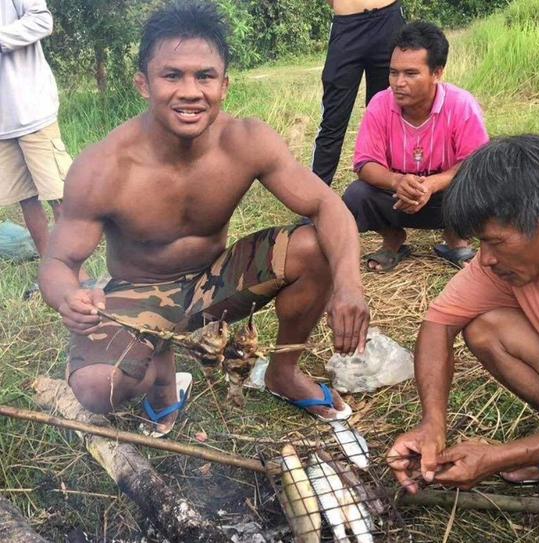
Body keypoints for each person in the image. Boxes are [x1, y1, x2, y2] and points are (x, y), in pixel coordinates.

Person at [38, 1, 369, 436]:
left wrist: (349, 285)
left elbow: (328, 206)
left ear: (225, 84)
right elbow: (57, 264)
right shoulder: (103, 167)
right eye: (172, 75)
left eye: (205, 76)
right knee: (98, 388)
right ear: (143, 83)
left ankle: (283, 372)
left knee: (316, 247)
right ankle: (163, 384)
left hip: (216, 282)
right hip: (138, 295)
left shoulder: (246, 141)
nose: (190, 91)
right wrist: (68, 297)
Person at [387, 135, 539, 491]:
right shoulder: (513, 261)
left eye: (495, 241)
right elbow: (438, 324)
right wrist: (432, 425)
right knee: (487, 329)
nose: (484, 258)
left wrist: (501, 456)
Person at [343, 21, 490, 271]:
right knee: (356, 196)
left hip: (446, 200)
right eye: (393, 72)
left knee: (487, 187)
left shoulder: (461, 105)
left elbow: (477, 161)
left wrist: (431, 185)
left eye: (411, 73)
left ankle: (455, 238)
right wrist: (397, 182)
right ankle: (393, 239)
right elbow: (365, 164)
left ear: (437, 73)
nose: (398, 82)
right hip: (397, 199)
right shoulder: (380, 104)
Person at [0, 0, 72, 258]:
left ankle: (72, 267)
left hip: (33, 112)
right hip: (3, 124)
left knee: (59, 196)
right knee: (26, 197)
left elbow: (43, 21)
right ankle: (48, 265)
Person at [312, 0, 405, 186]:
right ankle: (315, 200)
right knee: (333, 118)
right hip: (347, 26)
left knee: (390, 112)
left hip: (389, 22)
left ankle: (386, 190)